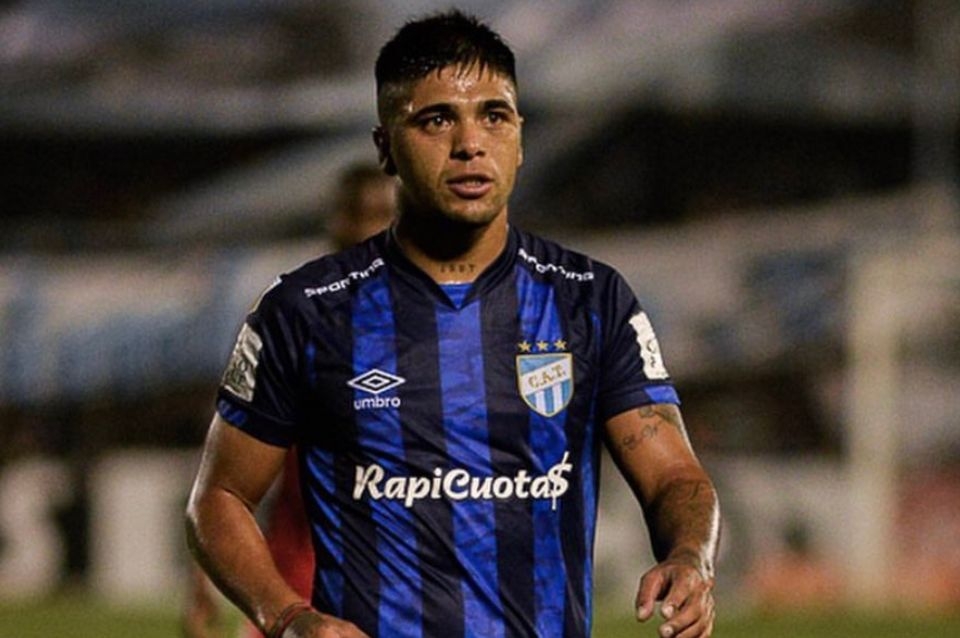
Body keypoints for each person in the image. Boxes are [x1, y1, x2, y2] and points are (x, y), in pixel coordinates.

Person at [186, 10, 720, 638]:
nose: (470, 143)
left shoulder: (592, 301)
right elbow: (217, 499)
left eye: (494, 116)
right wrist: (287, 616)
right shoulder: (303, 312)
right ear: (385, 146)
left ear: (520, 137)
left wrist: (690, 555)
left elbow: (674, 476)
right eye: (437, 120)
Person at [182, 163, 397, 638]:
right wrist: (202, 577)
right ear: (333, 219)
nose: (367, 228)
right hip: (293, 586)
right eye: (356, 213)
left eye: (381, 214)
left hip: (391, 595)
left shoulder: (432, 329)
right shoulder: (292, 321)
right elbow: (228, 474)